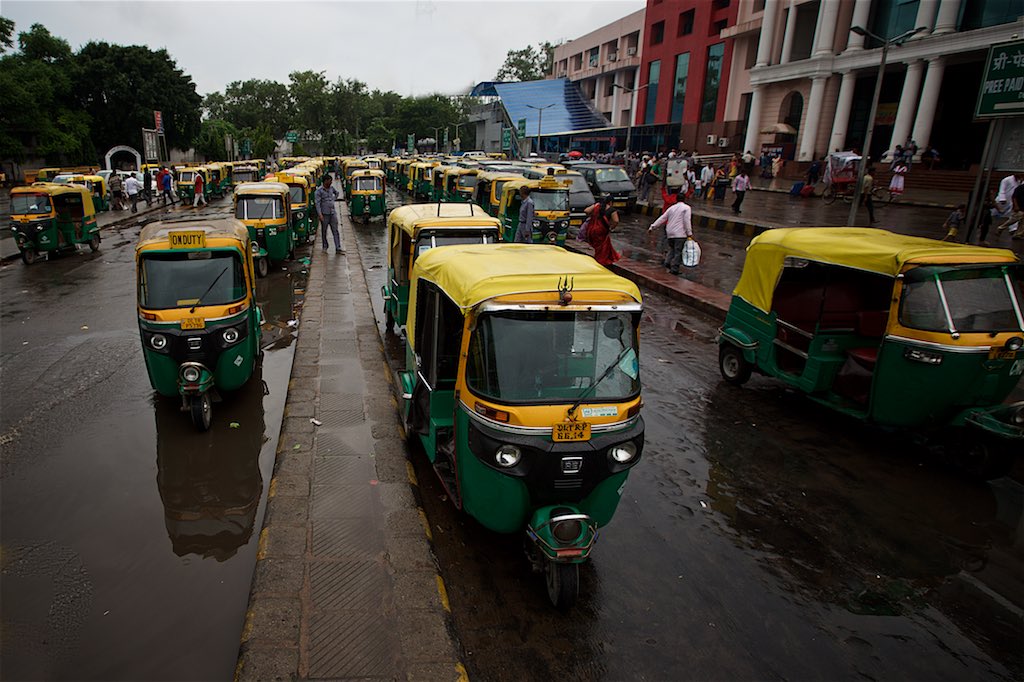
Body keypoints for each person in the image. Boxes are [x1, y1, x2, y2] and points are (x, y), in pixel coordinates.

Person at [648, 192, 694, 275]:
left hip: (670, 233)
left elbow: (662, 218)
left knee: (672, 249)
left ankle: (667, 262)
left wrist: (652, 227)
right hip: (680, 234)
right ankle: (675, 269)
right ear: (684, 199)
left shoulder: (671, 208)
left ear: (676, 199)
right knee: (678, 252)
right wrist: (689, 232)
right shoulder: (686, 208)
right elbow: (687, 221)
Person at [583, 195, 620, 266]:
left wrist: (595, 208)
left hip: (592, 229)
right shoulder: (612, 210)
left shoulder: (597, 206)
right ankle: (600, 261)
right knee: (603, 247)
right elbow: (616, 221)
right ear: (611, 202)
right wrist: (612, 228)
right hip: (602, 230)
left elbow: (586, 210)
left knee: (596, 246)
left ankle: (597, 259)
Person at [315, 174, 342, 253]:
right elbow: (317, 203)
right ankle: (325, 246)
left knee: (335, 230)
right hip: (324, 214)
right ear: (325, 181)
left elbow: (337, 193)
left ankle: (338, 247)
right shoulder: (319, 191)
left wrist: (333, 199)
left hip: (332, 213)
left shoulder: (331, 188)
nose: (331, 183)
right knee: (324, 231)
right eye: (330, 181)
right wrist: (320, 214)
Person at [994, 171, 1023, 238]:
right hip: (1007, 201)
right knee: (1014, 218)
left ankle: (1016, 232)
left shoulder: (1020, 182)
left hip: (1016, 203)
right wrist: (1002, 198)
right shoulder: (1006, 180)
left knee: (1020, 220)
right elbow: (1002, 190)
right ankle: (1001, 227)